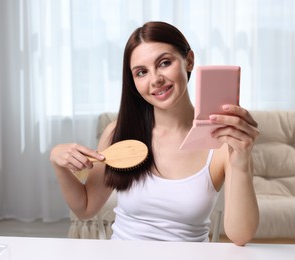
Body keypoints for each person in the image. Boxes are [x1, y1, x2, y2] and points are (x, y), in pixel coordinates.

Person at [49, 21, 259, 245]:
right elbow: (86, 207)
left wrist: (241, 161)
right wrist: (57, 161)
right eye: (141, 72)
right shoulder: (118, 133)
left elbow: (241, 236)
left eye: (165, 63)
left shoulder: (223, 141)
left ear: (188, 61)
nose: (155, 79)